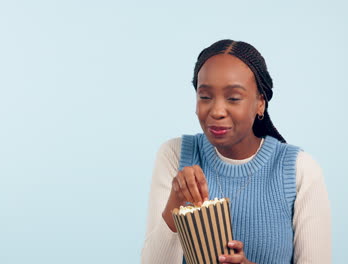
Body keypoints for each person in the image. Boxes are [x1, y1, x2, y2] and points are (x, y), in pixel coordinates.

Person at [141, 39, 331, 264]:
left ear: (260, 103)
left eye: (233, 98)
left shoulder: (299, 169)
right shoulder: (175, 155)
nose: (217, 111)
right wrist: (176, 202)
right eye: (205, 97)